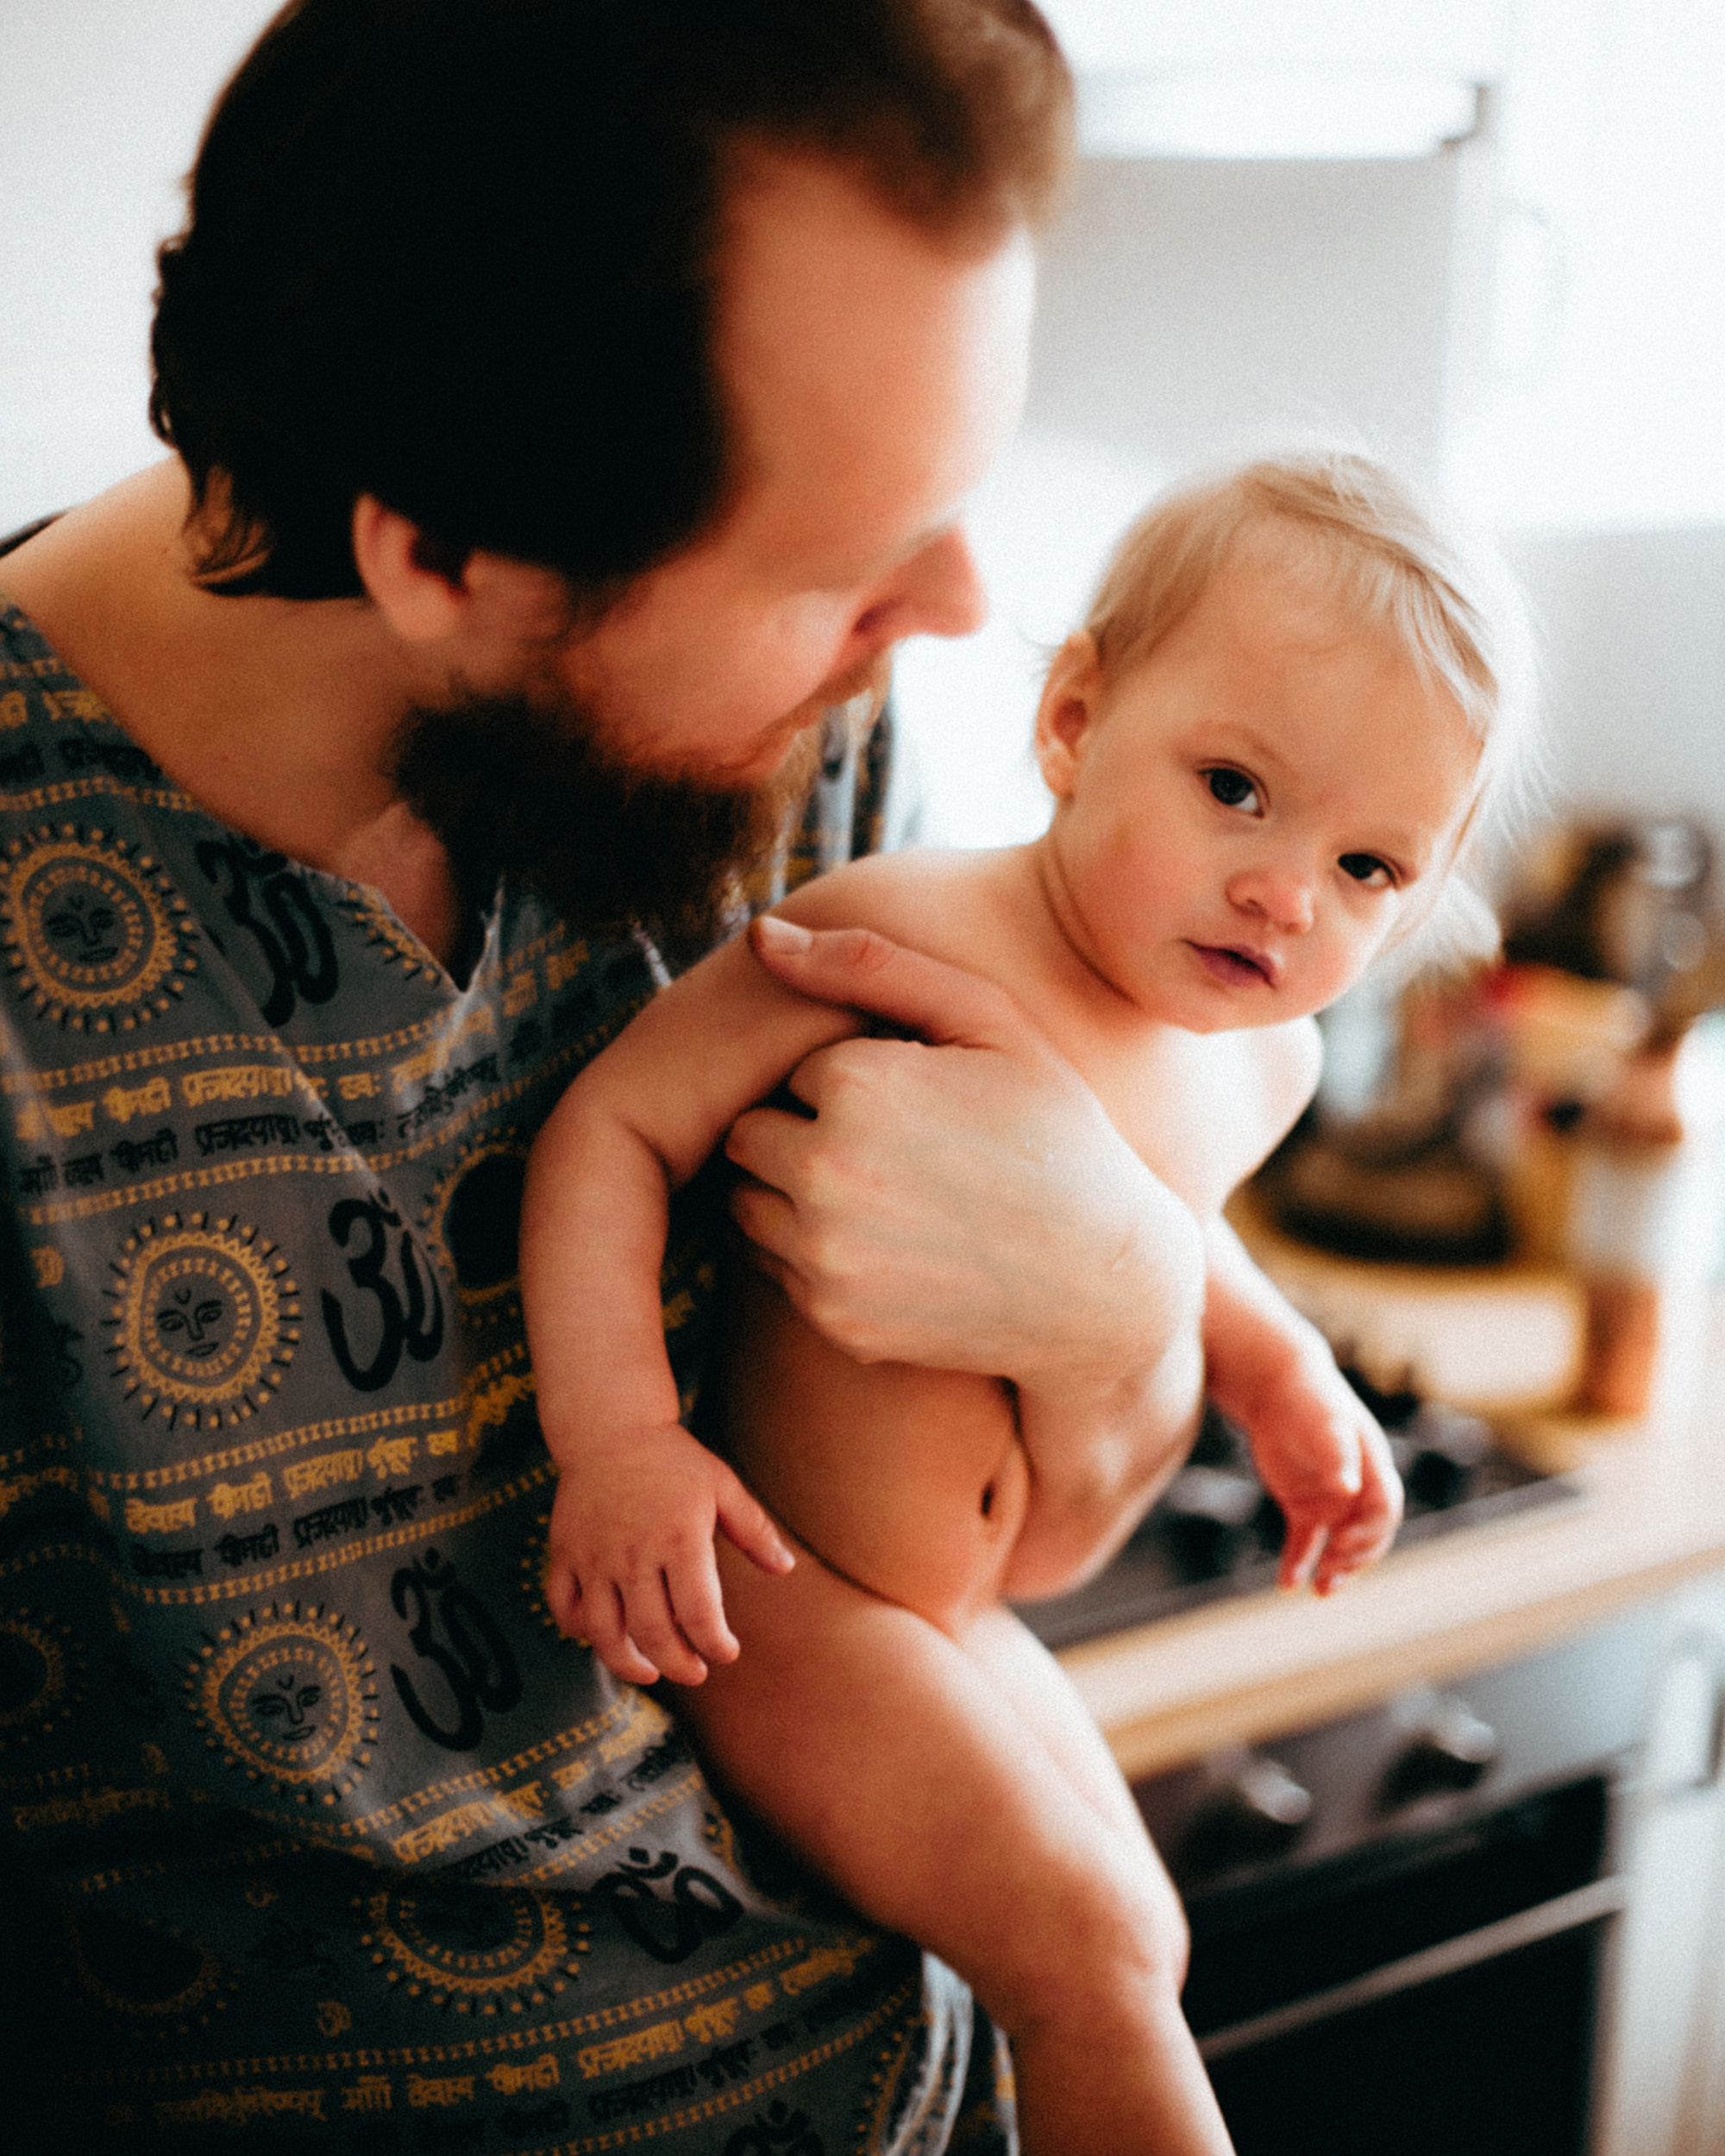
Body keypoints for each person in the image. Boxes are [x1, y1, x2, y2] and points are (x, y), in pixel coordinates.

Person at [0, 1, 1238, 2147]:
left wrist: (1122, 1298)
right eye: (845, 565)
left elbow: (985, 1559)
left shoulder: (777, 746)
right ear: (447, 560)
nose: (943, 611)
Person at [521, 452, 1540, 2154]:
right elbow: (611, 1124)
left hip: (969, 1614)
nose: (1286, 891)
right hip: (788, 1593)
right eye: (1235, 786)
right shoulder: (903, 927)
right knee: (1088, 1954)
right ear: (1073, 722)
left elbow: (1166, 1233)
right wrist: (617, 1431)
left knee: (1150, 1927)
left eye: (1369, 865)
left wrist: (1280, 1373)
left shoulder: (1258, 1059)